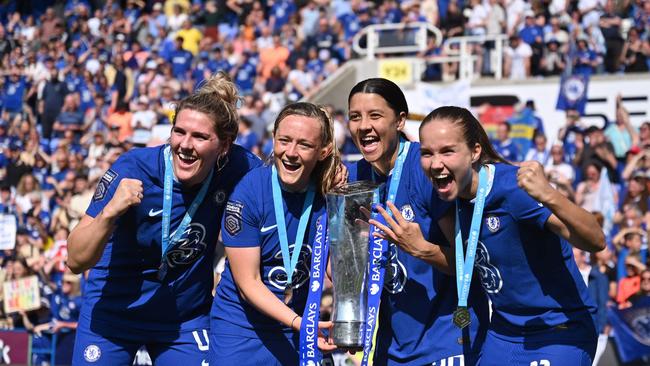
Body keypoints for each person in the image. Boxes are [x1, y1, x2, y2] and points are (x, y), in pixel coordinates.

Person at [375, 106, 605, 365]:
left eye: (447, 151)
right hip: (504, 332)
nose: (435, 164)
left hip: (558, 329)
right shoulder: (450, 198)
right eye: (427, 153)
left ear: (474, 152)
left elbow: (596, 240)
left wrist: (549, 194)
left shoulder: (513, 189)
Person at [66, 72, 261, 365]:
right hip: (114, 313)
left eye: (200, 136)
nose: (185, 144)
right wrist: (109, 213)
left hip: (184, 320)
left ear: (224, 145)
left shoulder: (241, 166)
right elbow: (75, 260)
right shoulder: (133, 168)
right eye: (179, 131)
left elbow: (284, 186)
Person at [346, 79, 488, 365]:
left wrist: (422, 249)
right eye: (354, 117)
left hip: (446, 342)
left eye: (375, 115)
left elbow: (469, 263)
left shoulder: (426, 169)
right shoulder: (354, 177)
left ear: (399, 121)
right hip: (390, 348)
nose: (363, 126)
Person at [210, 102, 340, 364]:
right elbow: (249, 284)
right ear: (273, 140)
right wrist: (299, 323)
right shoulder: (250, 192)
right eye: (284, 141)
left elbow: (332, 269)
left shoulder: (330, 193)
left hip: (299, 327)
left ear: (323, 151)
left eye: (304, 145)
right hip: (242, 331)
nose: (291, 152)